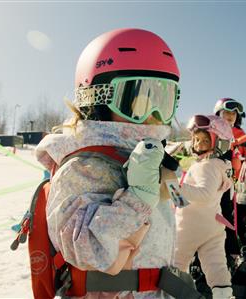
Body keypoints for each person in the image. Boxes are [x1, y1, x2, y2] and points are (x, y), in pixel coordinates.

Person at [35, 28, 196, 298]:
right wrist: (138, 199)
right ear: (96, 98)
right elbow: (83, 248)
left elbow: (169, 220)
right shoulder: (86, 165)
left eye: (162, 101)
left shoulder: (147, 158)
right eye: (137, 102)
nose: (153, 116)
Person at [174, 115, 235, 298]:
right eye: (196, 139)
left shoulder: (206, 166)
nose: (199, 144)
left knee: (176, 264)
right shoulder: (221, 165)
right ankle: (223, 293)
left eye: (205, 140)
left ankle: (171, 293)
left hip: (190, 227)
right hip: (213, 225)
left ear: (219, 143)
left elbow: (204, 194)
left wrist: (176, 186)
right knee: (216, 264)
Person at [214, 98, 246, 258]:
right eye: (227, 112)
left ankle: (230, 252)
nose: (230, 116)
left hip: (227, 182)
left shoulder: (239, 134)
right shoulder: (210, 130)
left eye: (233, 114)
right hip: (210, 178)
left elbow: (242, 157)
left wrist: (237, 157)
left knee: (227, 213)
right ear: (218, 113)